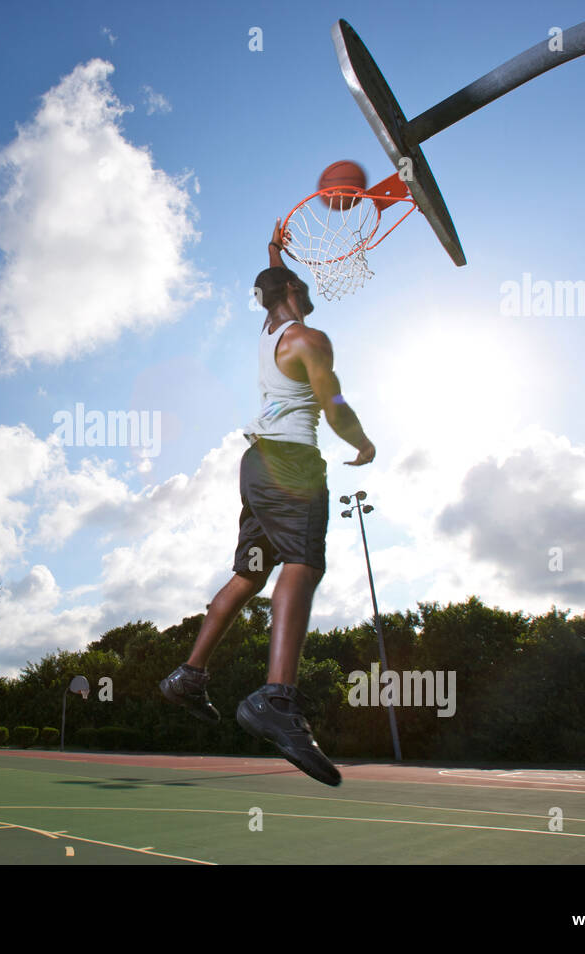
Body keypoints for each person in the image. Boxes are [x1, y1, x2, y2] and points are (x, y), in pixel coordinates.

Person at [159, 220, 376, 786]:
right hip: (291, 465)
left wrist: (274, 249)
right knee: (303, 564)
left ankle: (189, 674)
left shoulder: (267, 333)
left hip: (254, 468)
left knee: (249, 574)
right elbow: (335, 407)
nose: (308, 290)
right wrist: (363, 442)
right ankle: (277, 698)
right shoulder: (308, 339)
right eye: (298, 285)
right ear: (286, 295)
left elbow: (273, 284)